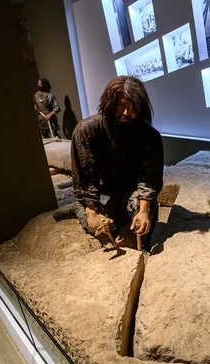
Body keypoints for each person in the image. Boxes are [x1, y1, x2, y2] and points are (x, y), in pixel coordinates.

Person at [70, 76, 164, 250]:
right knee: (105, 229)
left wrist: (143, 211)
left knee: (142, 231)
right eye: (120, 104)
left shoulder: (150, 136)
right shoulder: (87, 130)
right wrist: (91, 211)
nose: (126, 112)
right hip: (102, 187)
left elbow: (149, 178)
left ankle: (121, 207)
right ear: (109, 103)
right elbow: (85, 178)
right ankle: (79, 207)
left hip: (130, 186)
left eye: (131, 106)